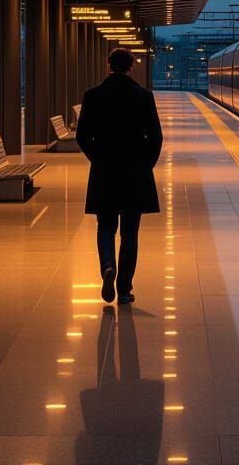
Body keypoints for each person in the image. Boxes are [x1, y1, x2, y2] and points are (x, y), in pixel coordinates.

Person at [76, 48, 162, 304]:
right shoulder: (144, 96)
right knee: (130, 233)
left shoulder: (92, 96)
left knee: (105, 227)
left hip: (104, 172)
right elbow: (155, 137)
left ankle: (106, 266)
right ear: (131, 67)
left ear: (108, 66)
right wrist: (146, 164)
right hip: (136, 173)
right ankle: (124, 289)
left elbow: (82, 136)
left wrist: (98, 157)